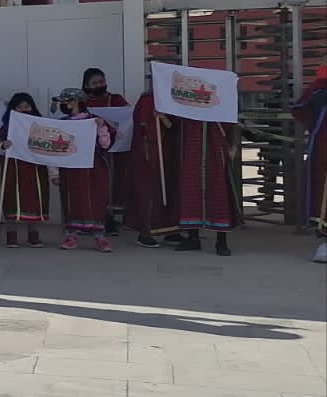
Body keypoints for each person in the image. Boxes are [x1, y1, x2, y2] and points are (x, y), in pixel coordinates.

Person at [51, 88, 116, 252]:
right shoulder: (62, 123)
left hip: (94, 168)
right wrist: (54, 172)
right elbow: (54, 151)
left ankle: (100, 237)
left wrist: (102, 128)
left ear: (76, 102)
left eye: (65, 101)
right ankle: (71, 236)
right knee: (71, 201)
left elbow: (105, 145)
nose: (63, 105)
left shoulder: (94, 121)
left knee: (96, 201)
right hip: (70, 169)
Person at [173, 113, 242, 256]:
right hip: (192, 145)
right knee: (191, 191)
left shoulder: (225, 100)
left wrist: (233, 144)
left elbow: (233, 118)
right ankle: (193, 237)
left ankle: (221, 241)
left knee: (219, 194)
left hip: (216, 147)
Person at [126, 88, 181, 248]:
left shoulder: (174, 97)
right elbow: (143, 129)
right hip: (152, 153)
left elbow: (175, 125)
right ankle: (146, 232)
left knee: (171, 190)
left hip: (170, 152)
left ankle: (171, 230)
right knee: (150, 193)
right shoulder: (148, 99)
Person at [0, 93, 50, 248]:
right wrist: (3, 146)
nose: (24, 110)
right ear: (13, 109)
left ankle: (33, 235)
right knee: (12, 199)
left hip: (35, 170)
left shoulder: (40, 127)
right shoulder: (7, 127)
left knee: (34, 200)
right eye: (20, 107)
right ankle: (11, 235)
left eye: (27, 106)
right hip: (14, 170)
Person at [83, 67, 132, 236]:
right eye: (94, 83)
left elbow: (128, 116)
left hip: (114, 150)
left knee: (112, 184)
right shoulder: (82, 102)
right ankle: (91, 218)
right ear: (86, 85)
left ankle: (109, 219)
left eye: (101, 81)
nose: (99, 85)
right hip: (91, 151)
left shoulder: (116, 99)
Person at [291, 60, 327, 263]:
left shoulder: (317, 88)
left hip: (321, 146)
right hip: (323, 149)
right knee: (322, 192)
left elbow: (299, 108)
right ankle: (324, 239)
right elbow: (299, 108)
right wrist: (315, 126)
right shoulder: (319, 88)